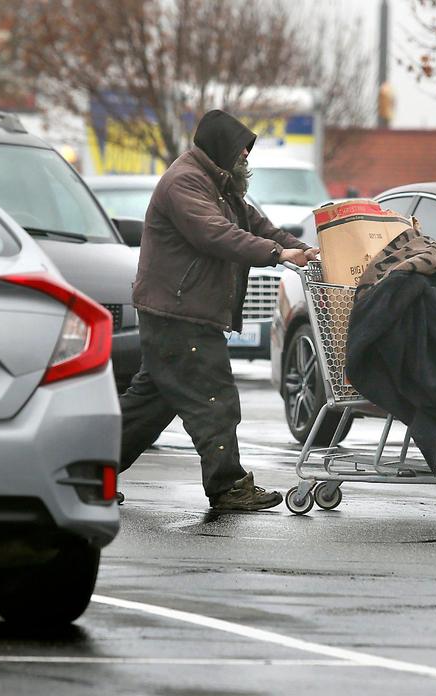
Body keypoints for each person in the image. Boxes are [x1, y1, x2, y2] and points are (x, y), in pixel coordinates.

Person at [119, 110, 317, 511]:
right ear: (221, 147)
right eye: (242, 150)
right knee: (215, 400)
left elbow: (258, 226)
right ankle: (228, 486)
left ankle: (82, 473)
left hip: (181, 311)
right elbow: (216, 234)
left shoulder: (222, 185)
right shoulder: (186, 181)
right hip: (179, 314)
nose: (245, 158)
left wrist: (298, 248)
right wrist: (277, 254)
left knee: (146, 408)